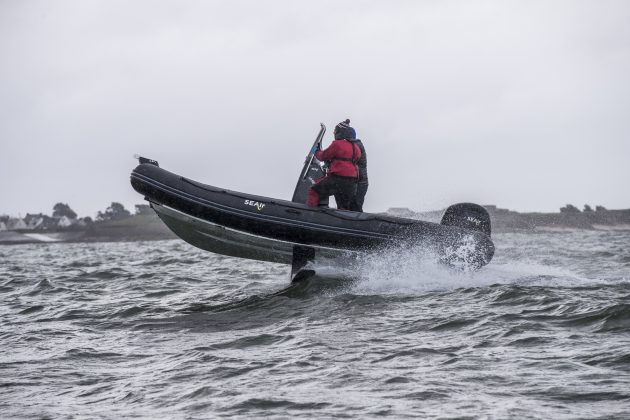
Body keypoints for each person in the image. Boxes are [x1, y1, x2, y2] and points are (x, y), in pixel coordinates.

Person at [307, 119, 361, 210]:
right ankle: (342, 222)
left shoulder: (337, 144)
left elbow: (323, 156)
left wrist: (316, 151)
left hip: (338, 178)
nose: (334, 133)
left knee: (315, 191)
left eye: (335, 131)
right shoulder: (356, 147)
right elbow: (353, 160)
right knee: (343, 206)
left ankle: (308, 213)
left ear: (340, 132)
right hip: (352, 181)